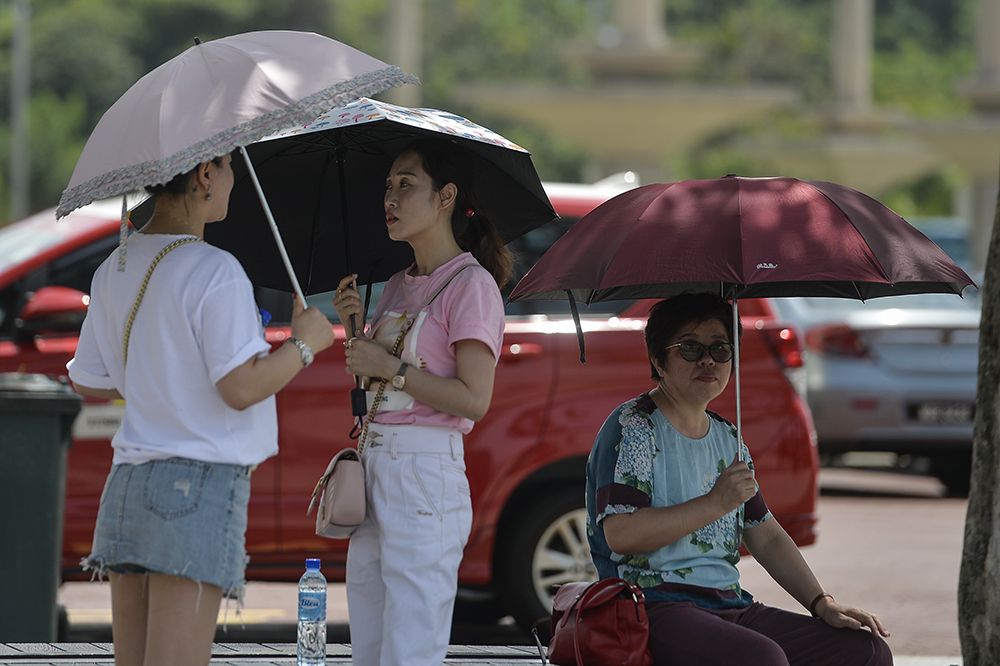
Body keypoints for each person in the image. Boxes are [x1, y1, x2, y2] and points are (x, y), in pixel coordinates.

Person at [67, 153, 334, 666]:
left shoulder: (113, 266)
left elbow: (86, 380)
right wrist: (303, 346)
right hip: (196, 484)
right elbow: (240, 389)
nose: (235, 178)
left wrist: (158, 377)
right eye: (230, 165)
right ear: (204, 173)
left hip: (127, 483)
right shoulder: (215, 269)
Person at [585, 293, 893, 666]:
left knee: (865, 651)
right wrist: (714, 503)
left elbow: (765, 534)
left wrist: (821, 603)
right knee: (761, 659)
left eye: (720, 349)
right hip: (652, 606)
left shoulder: (727, 437)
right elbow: (621, 533)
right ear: (657, 359)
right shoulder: (633, 427)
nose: (707, 360)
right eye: (689, 348)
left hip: (729, 603)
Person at [331, 138, 509, 666]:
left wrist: (391, 368)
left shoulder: (472, 286)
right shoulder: (393, 286)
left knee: (412, 639)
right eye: (388, 186)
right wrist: (354, 333)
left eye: (406, 185)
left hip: (425, 469)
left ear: (446, 196)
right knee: (368, 633)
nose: (391, 197)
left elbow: (475, 399)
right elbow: (377, 389)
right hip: (376, 461)